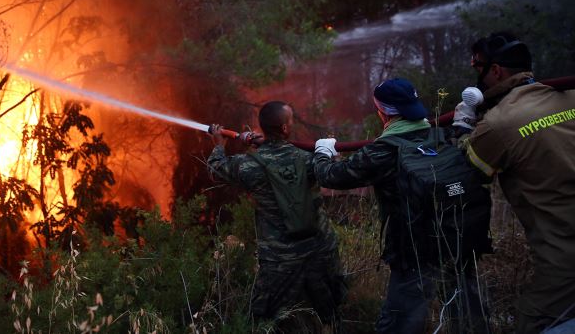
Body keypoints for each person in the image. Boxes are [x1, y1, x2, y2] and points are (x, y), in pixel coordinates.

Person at [313, 78, 491, 333]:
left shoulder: (382, 152)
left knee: (400, 322)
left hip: (414, 250)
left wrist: (323, 151)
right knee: (469, 314)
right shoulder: (443, 135)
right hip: (458, 237)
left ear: (382, 112)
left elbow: (331, 176)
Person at [462, 32, 575, 333]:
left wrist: (463, 128)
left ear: (496, 71)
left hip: (564, 259)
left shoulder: (499, 124)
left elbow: (470, 170)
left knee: (533, 321)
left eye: (478, 68)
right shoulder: (569, 95)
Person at [207, 101, 346, 331]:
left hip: (280, 258)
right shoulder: (308, 158)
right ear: (284, 129)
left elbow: (216, 169)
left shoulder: (250, 164)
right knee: (330, 314)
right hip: (320, 249)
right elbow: (333, 170)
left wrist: (219, 144)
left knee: (270, 320)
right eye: (290, 120)